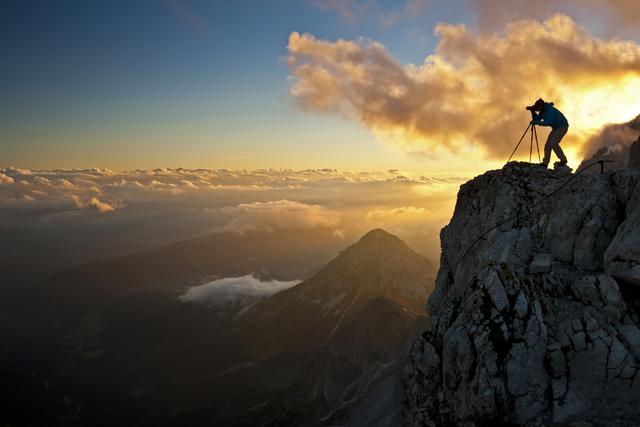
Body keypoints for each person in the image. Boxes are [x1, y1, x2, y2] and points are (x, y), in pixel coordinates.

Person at [529, 98, 569, 167]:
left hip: (562, 126)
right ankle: (545, 163)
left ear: (541, 106)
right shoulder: (543, 110)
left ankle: (563, 160)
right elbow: (536, 119)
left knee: (553, 143)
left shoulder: (549, 110)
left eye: (537, 107)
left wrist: (536, 122)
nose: (537, 109)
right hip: (556, 128)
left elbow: (548, 122)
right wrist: (533, 112)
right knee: (547, 145)